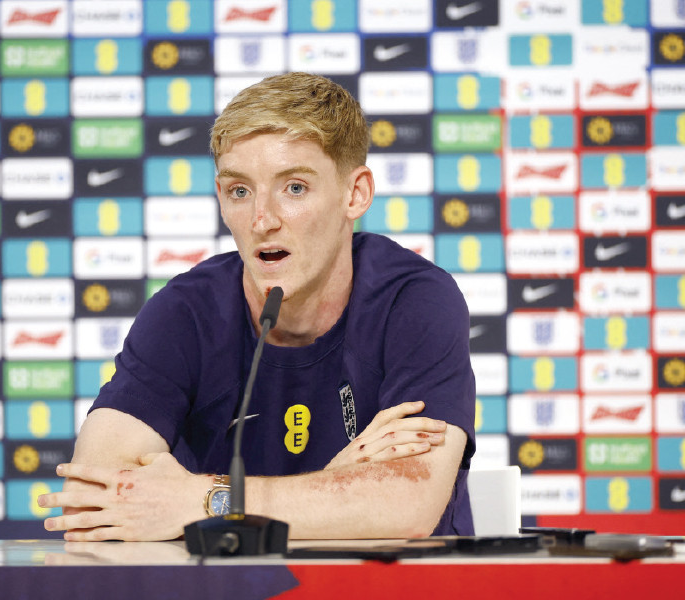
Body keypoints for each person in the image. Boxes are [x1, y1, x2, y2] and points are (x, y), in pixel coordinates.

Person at [38, 72, 476, 541]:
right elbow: (92, 499)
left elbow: (405, 504)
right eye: (239, 191)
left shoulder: (415, 300)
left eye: (294, 188)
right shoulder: (185, 312)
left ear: (355, 194)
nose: (262, 220)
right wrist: (339, 485)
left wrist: (204, 500)